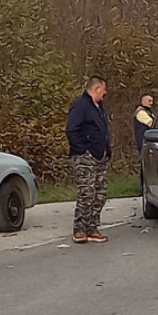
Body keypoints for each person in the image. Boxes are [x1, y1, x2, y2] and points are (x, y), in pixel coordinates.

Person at [66, 76, 111, 244]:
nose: (105, 93)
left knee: (100, 194)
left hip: (101, 156)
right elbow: (71, 130)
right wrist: (84, 150)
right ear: (97, 88)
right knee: (87, 193)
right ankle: (79, 229)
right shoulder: (81, 105)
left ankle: (92, 227)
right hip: (85, 157)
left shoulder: (99, 107)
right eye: (103, 89)